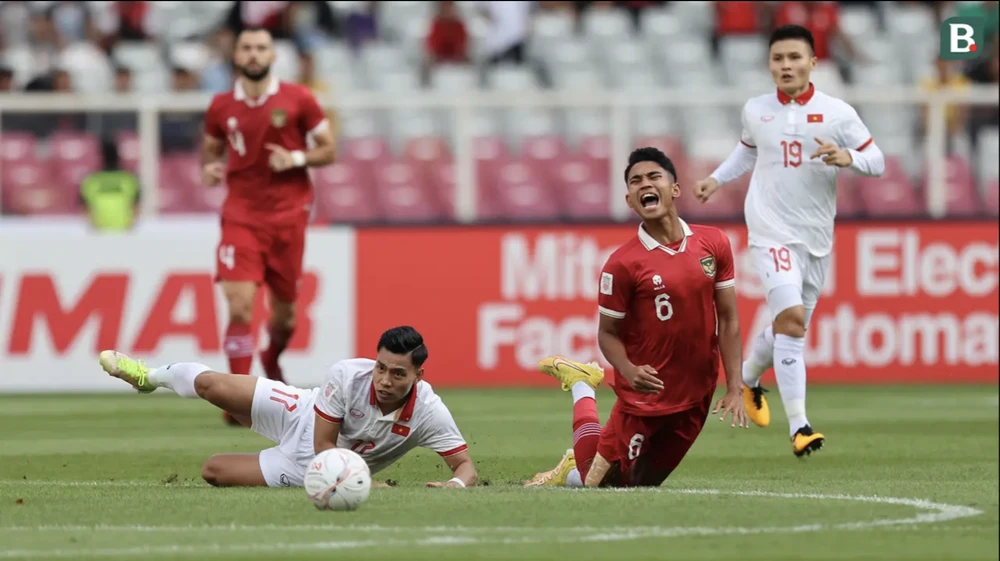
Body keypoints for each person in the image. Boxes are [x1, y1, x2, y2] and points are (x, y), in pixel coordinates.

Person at [693, 25, 886, 457]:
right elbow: (747, 150)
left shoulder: (837, 112)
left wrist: (848, 157)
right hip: (769, 230)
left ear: (812, 62)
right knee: (793, 322)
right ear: (769, 64)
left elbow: (878, 160)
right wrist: (715, 179)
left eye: (794, 58)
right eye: (778, 59)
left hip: (816, 237)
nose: (786, 66)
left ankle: (746, 376)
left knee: (787, 326)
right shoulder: (756, 109)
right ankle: (800, 426)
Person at [526, 147, 748, 488]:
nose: (645, 184)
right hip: (643, 395)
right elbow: (608, 334)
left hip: (696, 392)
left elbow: (729, 320)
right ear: (630, 200)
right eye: (635, 181)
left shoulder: (713, 242)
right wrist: (629, 370)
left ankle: (577, 462)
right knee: (601, 487)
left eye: (654, 176)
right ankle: (582, 386)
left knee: (642, 485)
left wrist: (735, 386)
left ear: (674, 188)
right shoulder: (622, 263)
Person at [97, 326, 477, 489]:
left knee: (212, 470)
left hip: (306, 467)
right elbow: (325, 444)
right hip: (303, 415)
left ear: (418, 375)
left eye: (397, 373)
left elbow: (465, 467)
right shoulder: (346, 375)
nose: (384, 380)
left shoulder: (429, 411)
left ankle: (250, 422)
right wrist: (365, 483)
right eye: (381, 367)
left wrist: (455, 486)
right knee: (211, 385)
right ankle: (149, 377)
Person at [201, 27, 336, 427]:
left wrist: (295, 159)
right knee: (240, 305)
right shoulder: (221, 105)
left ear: (273, 55)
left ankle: (271, 359)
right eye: (247, 48)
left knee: (285, 319)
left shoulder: (299, 99)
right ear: (236, 56)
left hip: (289, 218)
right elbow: (211, 149)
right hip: (242, 216)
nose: (254, 54)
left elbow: (329, 150)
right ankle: (240, 398)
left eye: (262, 47)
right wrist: (209, 167)